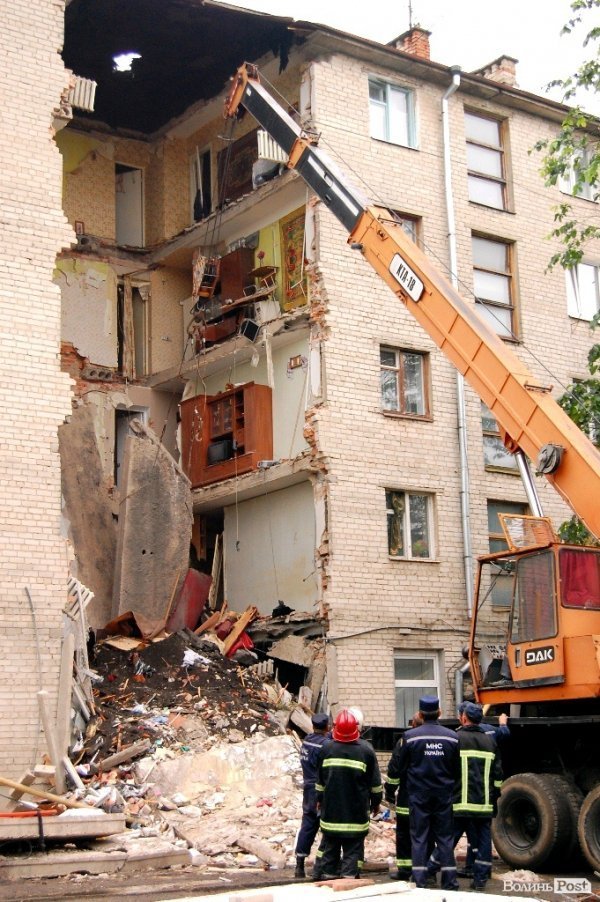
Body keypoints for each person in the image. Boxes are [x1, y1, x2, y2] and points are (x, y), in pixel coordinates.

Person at [396, 695, 460, 890]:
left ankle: (420, 881)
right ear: (439, 712)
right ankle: (449, 881)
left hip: (419, 795)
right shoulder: (452, 737)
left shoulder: (410, 737)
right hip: (443, 795)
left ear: (421, 714)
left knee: (419, 837)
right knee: (445, 838)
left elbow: (401, 767)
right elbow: (456, 770)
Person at [314, 709, 383, 879]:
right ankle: (349, 881)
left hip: (331, 814)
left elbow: (320, 782)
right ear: (357, 728)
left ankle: (328, 881)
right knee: (353, 852)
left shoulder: (326, 749)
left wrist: (319, 800)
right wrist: (376, 803)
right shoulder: (366, 750)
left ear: (335, 728)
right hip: (356, 815)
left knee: (330, 851)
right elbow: (375, 785)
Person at [452, 701, 503, 890]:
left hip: (460, 804)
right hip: (483, 805)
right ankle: (480, 880)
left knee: (448, 841)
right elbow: (498, 776)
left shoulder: (456, 738)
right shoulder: (490, 741)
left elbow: (449, 771)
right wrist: (494, 797)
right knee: (483, 843)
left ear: (464, 718)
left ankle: (434, 873)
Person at [384, 711, 423, 881]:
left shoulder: (405, 741)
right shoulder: (438, 740)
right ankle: (424, 871)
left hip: (408, 798)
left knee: (405, 835)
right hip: (429, 800)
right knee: (425, 835)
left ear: (413, 724)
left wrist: (390, 791)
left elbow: (394, 769)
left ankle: (405, 870)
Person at [294, 712, 331, 879]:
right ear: (327, 727)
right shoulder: (325, 745)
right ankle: (321, 865)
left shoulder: (307, 741)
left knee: (308, 825)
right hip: (320, 788)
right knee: (327, 826)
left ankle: (299, 865)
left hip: (307, 788)